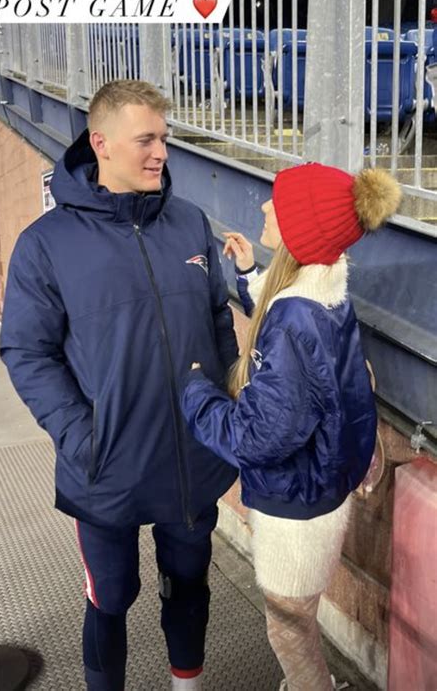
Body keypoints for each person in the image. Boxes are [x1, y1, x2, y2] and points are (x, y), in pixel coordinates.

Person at [0, 79, 238, 691]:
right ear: (100, 144)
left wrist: (225, 397)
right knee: (111, 597)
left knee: (189, 585)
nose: (161, 152)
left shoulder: (189, 224)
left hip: (193, 458)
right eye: (146, 140)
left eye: (165, 138)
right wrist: (84, 437)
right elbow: (28, 351)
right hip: (104, 467)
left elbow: (216, 317)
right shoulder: (44, 245)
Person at [180, 163, 401, 691]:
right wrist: (251, 274)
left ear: (301, 228)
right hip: (318, 490)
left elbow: (257, 437)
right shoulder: (324, 289)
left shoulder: (299, 318)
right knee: (294, 616)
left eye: (275, 203)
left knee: (286, 624)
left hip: (295, 507)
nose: (262, 207)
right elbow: (296, 338)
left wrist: (193, 392)